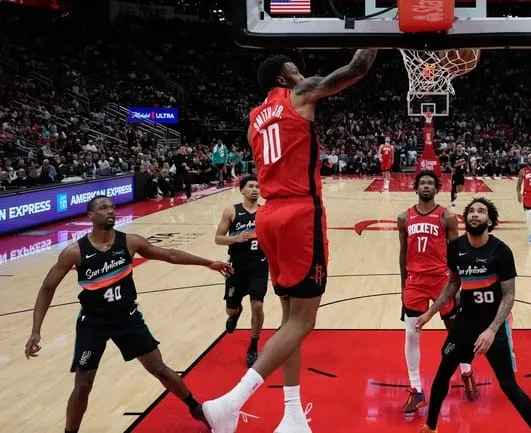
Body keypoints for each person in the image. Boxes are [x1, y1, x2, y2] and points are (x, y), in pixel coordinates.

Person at [201, 49, 379, 433]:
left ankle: (292, 415)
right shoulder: (301, 94)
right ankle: (230, 403)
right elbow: (358, 67)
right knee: (303, 321)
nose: (303, 74)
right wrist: (380, 32)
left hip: (268, 216)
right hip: (300, 213)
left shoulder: (253, 119)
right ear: (283, 79)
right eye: (295, 70)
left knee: (287, 321)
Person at [24, 196, 233, 433]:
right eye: (103, 208)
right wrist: (36, 330)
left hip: (128, 318)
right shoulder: (74, 252)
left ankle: (196, 408)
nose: (110, 211)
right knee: (82, 385)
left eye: (113, 207)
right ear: (90, 215)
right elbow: (47, 288)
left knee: (159, 368)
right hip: (93, 324)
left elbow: (170, 255)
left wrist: (208, 263)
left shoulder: (130, 242)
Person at [415, 197, 531, 433]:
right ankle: (430, 427)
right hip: (465, 322)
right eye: (471, 211)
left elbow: (509, 296)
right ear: (466, 218)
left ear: (490, 221)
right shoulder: (456, 248)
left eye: (481, 211)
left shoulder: (501, 251)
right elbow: (453, 283)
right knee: (442, 374)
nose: (475, 214)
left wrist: (492, 330)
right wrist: (430, 312)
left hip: (493, 324)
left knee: (509, 386)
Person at [397, 170, 478, 414]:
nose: (426, 186)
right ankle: (416, 389)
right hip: (415, 281)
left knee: (455, 331)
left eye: (430, 183)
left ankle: (466, 372)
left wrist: (459, 285)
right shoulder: (404, 218)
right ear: (416, 187)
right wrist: (402, 286)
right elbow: (403, 254)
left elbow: (457, 253)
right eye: (422, 183)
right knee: (411, 334)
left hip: (442, 279)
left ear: (436, 188)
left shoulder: (447, 217)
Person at [214, 175, 269, 367]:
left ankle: (253, 345)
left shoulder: (265, 212)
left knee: (257, 306)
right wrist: (235, 239)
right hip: (236, 267)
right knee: (230, 310)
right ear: (242, 190)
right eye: (251, 186)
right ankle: (236, 313)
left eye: (257, 187)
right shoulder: (231, 211)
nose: (255, 190)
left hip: (259, 265)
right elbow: (218, 238)